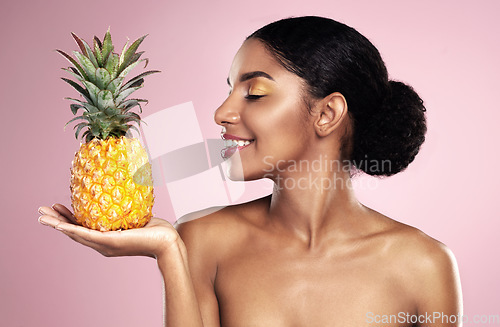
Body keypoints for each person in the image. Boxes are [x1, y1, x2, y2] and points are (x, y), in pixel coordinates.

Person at [38, 16, 462, 327]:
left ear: (327, 113)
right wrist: (168, 252)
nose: (222, 112)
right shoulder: (201, 240)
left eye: (254, 92)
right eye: (229, 88)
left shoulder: (424, 265)